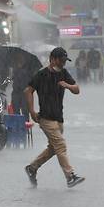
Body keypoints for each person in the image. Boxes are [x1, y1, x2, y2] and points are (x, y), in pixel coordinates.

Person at [23, 47, 85, 188]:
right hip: (45, 118)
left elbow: (77, 89)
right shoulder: (41, 75)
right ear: (53, 59)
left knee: (54, 148)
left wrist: (67, 85)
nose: (63, 63)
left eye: (65, 61)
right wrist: (32, 112)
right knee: (61, 145)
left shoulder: (63, 73)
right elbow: (28, 91)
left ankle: (32, 168)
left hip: (59, 118)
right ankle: (70, 176)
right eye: (61, 60)